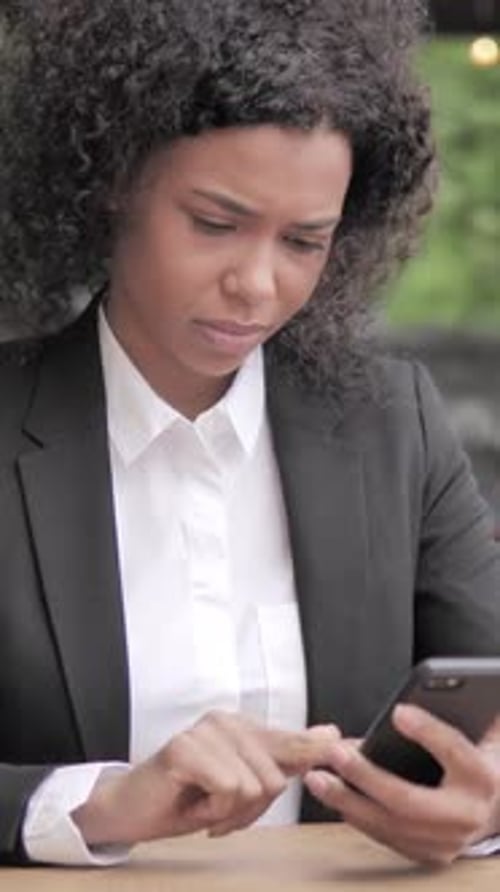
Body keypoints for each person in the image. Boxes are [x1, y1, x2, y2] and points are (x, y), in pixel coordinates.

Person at [0, 0, 499, 870]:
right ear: (113, 183)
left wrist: (484, 803)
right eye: (215, 224)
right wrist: (91, 804)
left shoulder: (395, 426)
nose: (258, 286)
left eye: (306, 242)